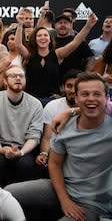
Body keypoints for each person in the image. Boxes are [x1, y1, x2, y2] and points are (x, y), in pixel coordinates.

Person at [6, 72, 112, 221]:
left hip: (93, 203)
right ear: (76, 98)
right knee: (8, 194)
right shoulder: (64, 125)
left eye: (97, 94)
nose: (91, 99)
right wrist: (65, 200)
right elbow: (54, 164)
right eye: (85, 94)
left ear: (107, 98)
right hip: (62, 188)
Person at [15, 10, 97, 106]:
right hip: (31, 99)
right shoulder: (30, 55)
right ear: (35, 39)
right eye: (39, 36)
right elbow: (18, 45)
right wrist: (20, 24)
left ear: (50, 39)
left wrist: (88, 25)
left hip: (52, 100)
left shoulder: (57, 54)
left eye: (45, 35)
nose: (42, 38)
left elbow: (75, 43)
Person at [0, 65, 43, 186]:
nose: (18, 78)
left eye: (21, 76)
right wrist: (0, 149)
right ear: (5, 81)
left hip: (23, 147)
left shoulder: (35, 104)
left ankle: (18, 200)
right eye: (13, 76)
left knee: (26, 165)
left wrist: (21, 152)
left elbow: (34, 136)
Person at [35, 69, 80, 171]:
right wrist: (44, 154)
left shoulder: (90, 106)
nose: (73, 90)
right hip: (57, 151)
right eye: (69, 86)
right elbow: (47, 137)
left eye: (77, 86)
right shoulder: (52, 106)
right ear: (63, 87)